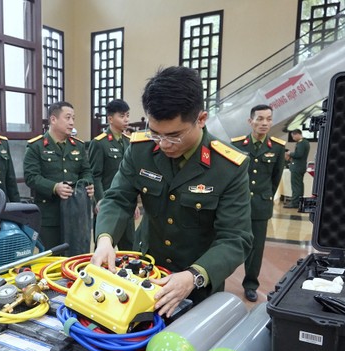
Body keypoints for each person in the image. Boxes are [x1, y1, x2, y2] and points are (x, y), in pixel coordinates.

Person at [91, 66, 253, 318]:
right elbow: (118, 198)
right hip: (144, 272)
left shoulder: (228, 166)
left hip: (198, 286)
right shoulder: (140, 149)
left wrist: (194, 276)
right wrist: (104, 239)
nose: (164, 144)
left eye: (174, 136)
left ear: (201, 119)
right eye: (156, 134)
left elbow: (235, 238)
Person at [231, 104, 286, 302]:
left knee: (256, 247)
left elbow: (275, 178)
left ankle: (250, 284)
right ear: (250, 121)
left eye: (268, 119)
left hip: (260, 206)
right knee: (227, 241)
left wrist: (265, 197)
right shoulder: (237, 144)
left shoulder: (278, 147)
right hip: (237, 205)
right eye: (260, 119)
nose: (265, 123)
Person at [23, 101, 94, 249]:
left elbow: (86, 171)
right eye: (67, 118)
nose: (71, 122)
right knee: (53, 258)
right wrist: (54, 187)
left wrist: (87, 183)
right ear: (53, 119)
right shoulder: (36, 146)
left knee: (76, 257)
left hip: (75, 212)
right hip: (50, 214)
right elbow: (31, 177)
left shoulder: (78, 146)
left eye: (73, 118)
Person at [88, 99, 138, 251]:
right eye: (122, 116)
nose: (126, 119)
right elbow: (95, 175)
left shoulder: (129, 142)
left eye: (127, 115)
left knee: (129, 248)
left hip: (126, 202)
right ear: (110, 119)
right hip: (107, 202)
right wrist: (100, 200)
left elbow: (132, 177)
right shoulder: (99, 143)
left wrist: (134, 202)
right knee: (103, 246)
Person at [284, 129, 310, 209]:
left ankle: (295, 203)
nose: (293, 138)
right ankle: (299, 202)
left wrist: (289, 153)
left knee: (296, 186)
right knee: (299, 185)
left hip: (297, 167)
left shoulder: (301, 143)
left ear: (297, 134)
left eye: (293, 136)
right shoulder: (305, 142)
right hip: (301, 166)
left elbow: (299, 154)